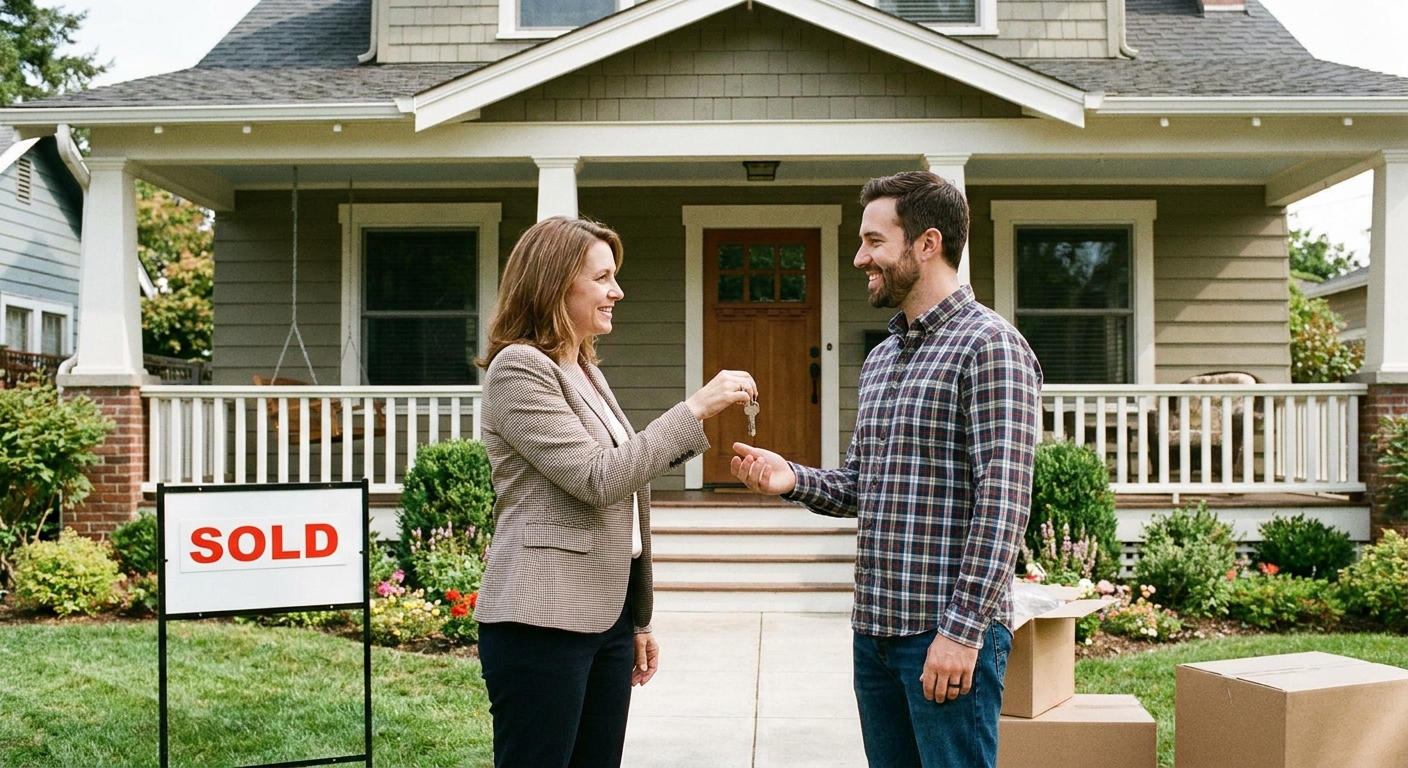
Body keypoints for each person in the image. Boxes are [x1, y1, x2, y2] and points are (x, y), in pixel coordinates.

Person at [731, 171, 1042, 768]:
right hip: (875, 631)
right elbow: (862, 486)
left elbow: (1004, 506)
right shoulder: (882, 357)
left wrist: (962, 632)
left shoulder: (989, 346)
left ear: (927, 244)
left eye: (874, 241)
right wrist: (790, 479)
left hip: (944, 634)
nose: (858, 257)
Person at [473, 215, 757, 768]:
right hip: (541, 621)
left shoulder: (582, 367)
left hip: (604, 622)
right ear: (556, 285)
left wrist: (638, 620)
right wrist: (695, 409)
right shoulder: (519, 370)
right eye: (603, 278)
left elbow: (629, 490)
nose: (617, 291)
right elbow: (597, 479)